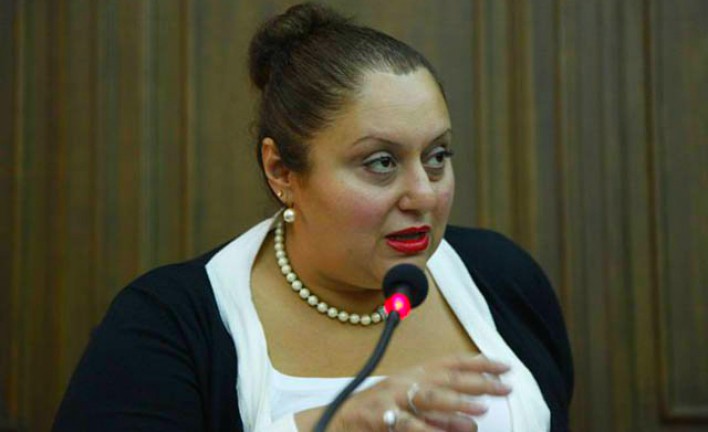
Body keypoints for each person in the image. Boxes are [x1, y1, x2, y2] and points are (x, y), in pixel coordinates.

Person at [52, 3, 573, 431]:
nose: (423, 194)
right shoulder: (168, 323)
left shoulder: (504, 278)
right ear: (281, 170)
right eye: (381, 163)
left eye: (437, 156)